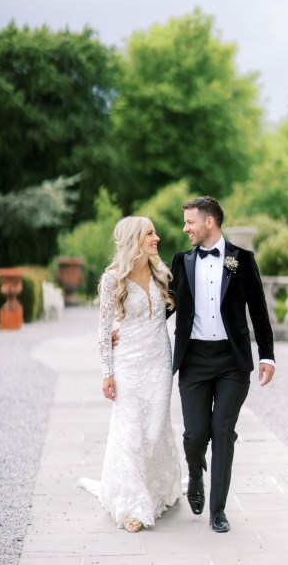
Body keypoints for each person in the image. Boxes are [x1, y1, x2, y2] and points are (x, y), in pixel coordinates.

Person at [170, 196, 275, 533]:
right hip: (195, 360)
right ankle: (195, 473)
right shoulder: (181, 261)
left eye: (190, 222)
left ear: (209, 222)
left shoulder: (241, 260)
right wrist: (126, 329)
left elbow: (258, 309)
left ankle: (218, 511)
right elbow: (166, 307)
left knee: (222, 433)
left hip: (232, 362)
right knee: (194, 434)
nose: (186, 228)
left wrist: (267, 355)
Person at [79, 216, 182, 533]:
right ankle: (132, 505)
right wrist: (107, 372)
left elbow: (180, 308)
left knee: (155, 428)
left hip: (159, 362)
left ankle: (155, 488)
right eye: (151, 233)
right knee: (131, 431)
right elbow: (103, 329)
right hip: (128, 364)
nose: (157, 238)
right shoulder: (113, 279)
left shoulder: (161, 273)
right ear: (135, 239)